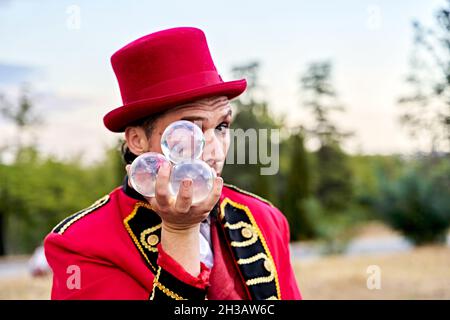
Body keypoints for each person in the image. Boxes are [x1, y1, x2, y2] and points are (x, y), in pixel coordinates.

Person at [44, 27, 302, 300]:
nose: (213, 150)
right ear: (137, 140)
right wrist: (180, 232)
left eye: (222, 126)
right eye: (187, 131)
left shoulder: (266, 219)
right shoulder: (81, 242)